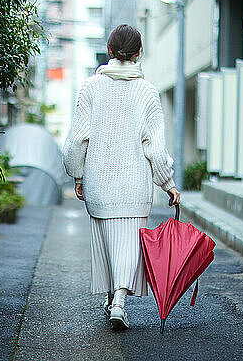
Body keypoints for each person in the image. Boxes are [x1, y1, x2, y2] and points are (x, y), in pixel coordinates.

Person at [62, 24, 180, 330]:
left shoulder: (90, 88)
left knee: (105, 241)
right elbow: (155, 146)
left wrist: (77, 175)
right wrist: (168, 183)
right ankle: (119, 302)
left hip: (99, 182)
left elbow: (78, 140)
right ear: (139, 53)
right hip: (134, 185)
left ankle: (111, 297)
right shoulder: (148, 92)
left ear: (109, 50)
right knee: (128, 243)